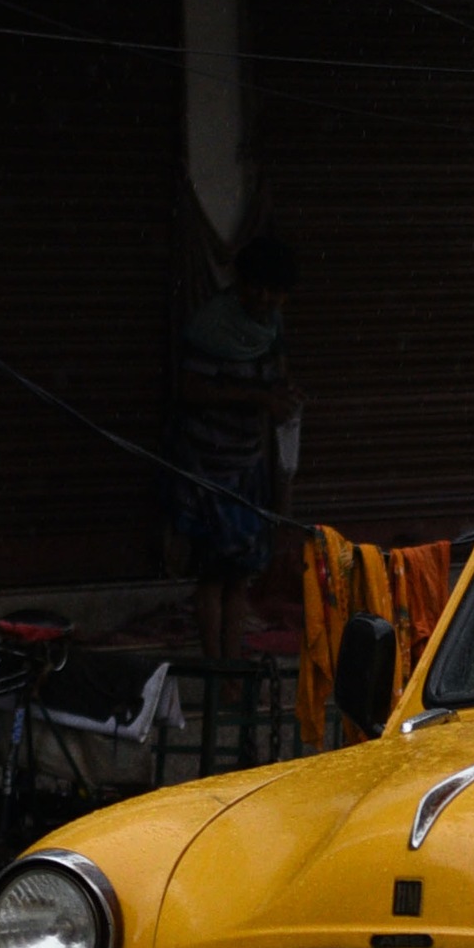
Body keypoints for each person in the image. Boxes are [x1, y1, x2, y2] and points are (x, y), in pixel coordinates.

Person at [169, 234, 300, 658]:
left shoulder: (272, 329)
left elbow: (277, 378)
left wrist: (283, 397)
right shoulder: (210, 326)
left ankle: (231, 663)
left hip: (248, 466)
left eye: (274, 291)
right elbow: (191, 388)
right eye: (256, 287)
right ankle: (214, 665)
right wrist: (257, 399)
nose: (264, 298)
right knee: (212, 575)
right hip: (208, 467)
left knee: (240, 576)